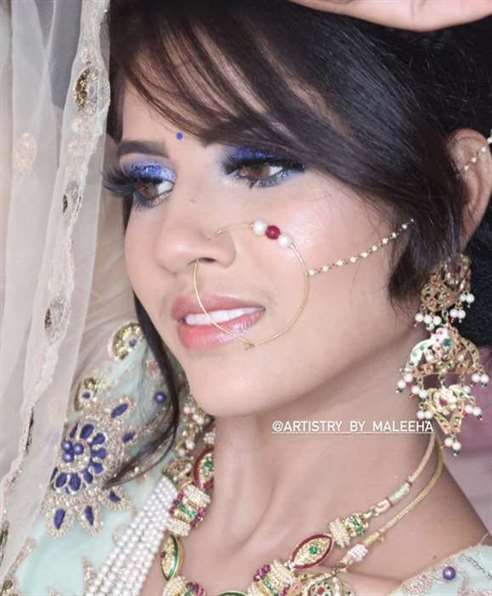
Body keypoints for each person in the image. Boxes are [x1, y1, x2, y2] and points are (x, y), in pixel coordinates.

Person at [0, 1, 492, 595]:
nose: (174, 243)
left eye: (260, 168)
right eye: (149, 183)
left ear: (458, 193)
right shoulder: (95, 406)